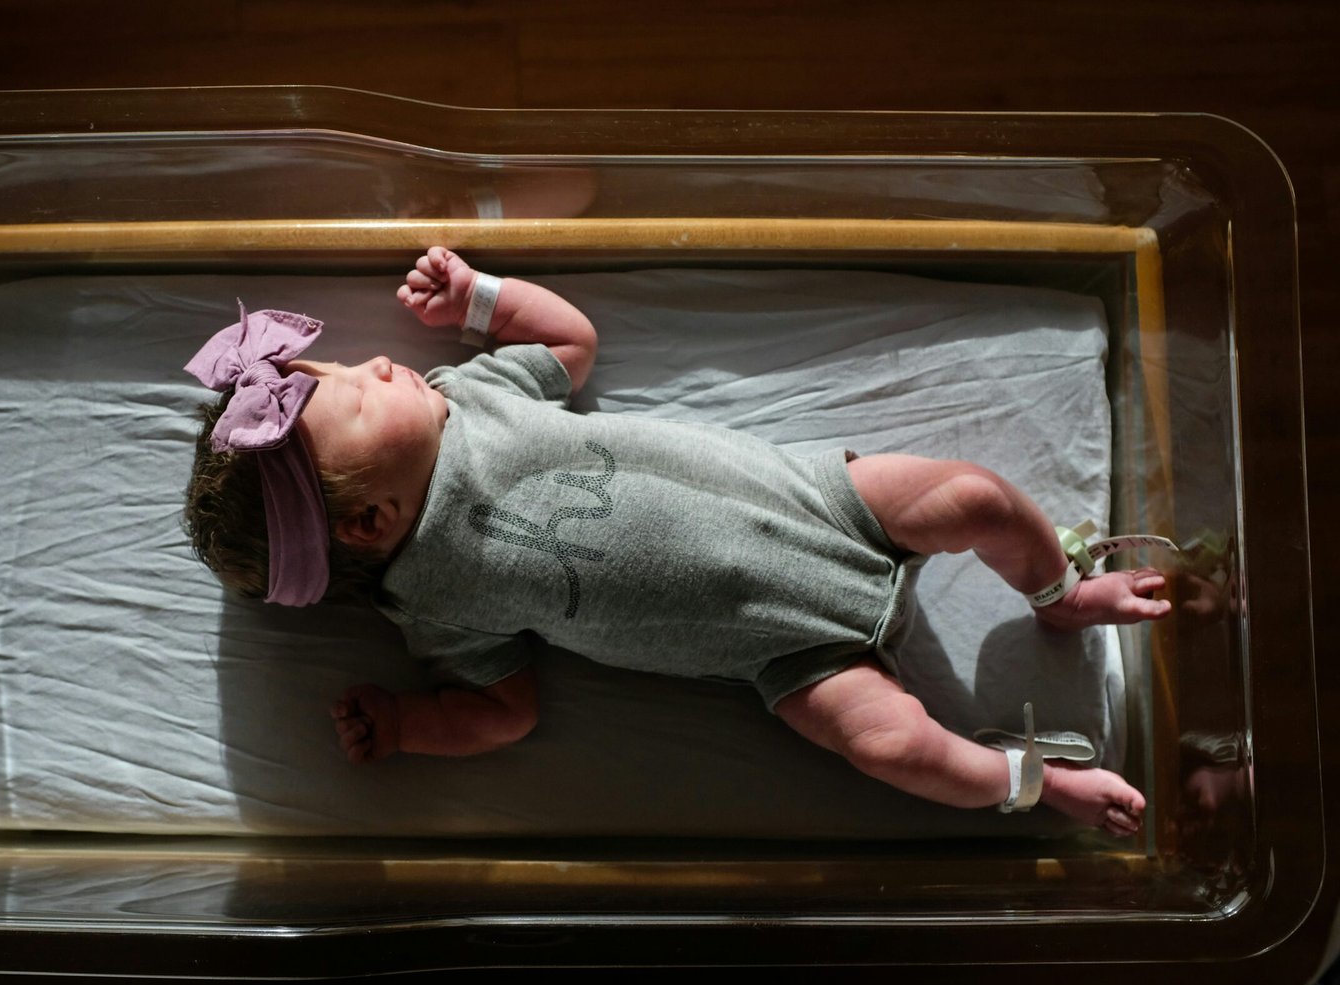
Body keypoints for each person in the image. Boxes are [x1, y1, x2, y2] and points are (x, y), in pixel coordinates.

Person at [183, 247, 1171, 835]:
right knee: (888, 742)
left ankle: (1060, 592)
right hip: (783, 655)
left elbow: (570, 343)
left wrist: (479, 297)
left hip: (820, 500)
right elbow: (502, 711)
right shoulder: (428, 599)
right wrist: (406, 725)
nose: (381, 360)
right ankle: (1033, 782)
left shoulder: (468, 395)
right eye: (356, 390)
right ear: (367, 522)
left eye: (348, 360)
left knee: (973, 495)